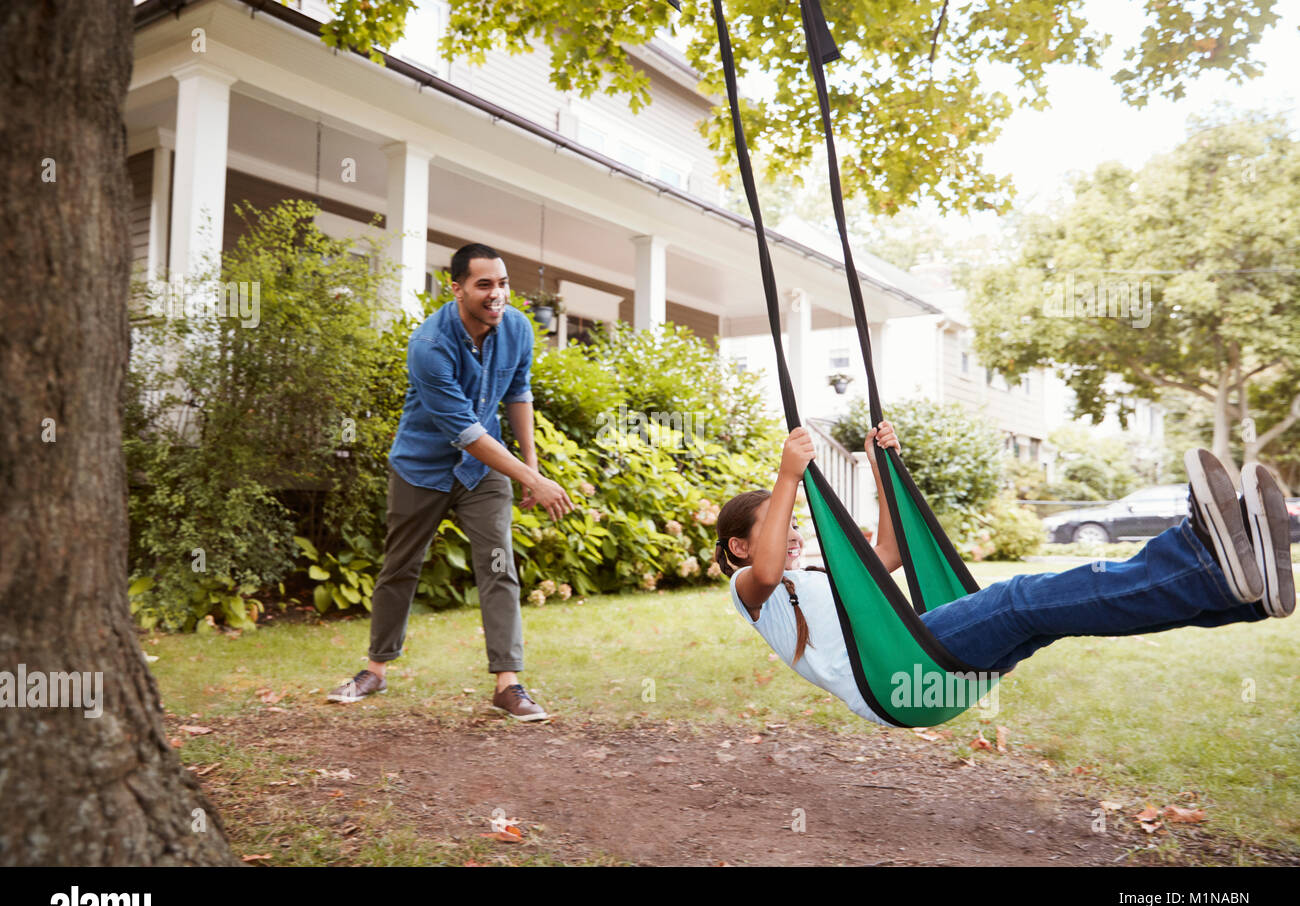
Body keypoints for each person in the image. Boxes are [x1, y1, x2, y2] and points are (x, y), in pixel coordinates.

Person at [717, 423, 1295, 726]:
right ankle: (1198, 558)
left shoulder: (815, 577)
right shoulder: (752, 590)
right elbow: (767, 566)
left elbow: (891, 552)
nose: (791, 533)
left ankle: (1242, 594)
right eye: (777, 524)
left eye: (790, 525)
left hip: (921, 679)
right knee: (1019, 597)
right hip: (901, 678)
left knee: (1054, 610)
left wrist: (880, 468)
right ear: (740, 545)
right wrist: (788, 477)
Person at [328, 243, 574, 719]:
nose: (496, 293)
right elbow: (465, 432)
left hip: (483, 472)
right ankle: (375, 671)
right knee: (400, 565)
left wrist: (532, 467)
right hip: (422, 468)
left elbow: (518, 394)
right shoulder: (428, 345)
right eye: (484, 285)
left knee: (499, 564)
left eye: (502, 283)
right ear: (456, 288)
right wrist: (530, 478)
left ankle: (508, 684)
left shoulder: (519, 328)